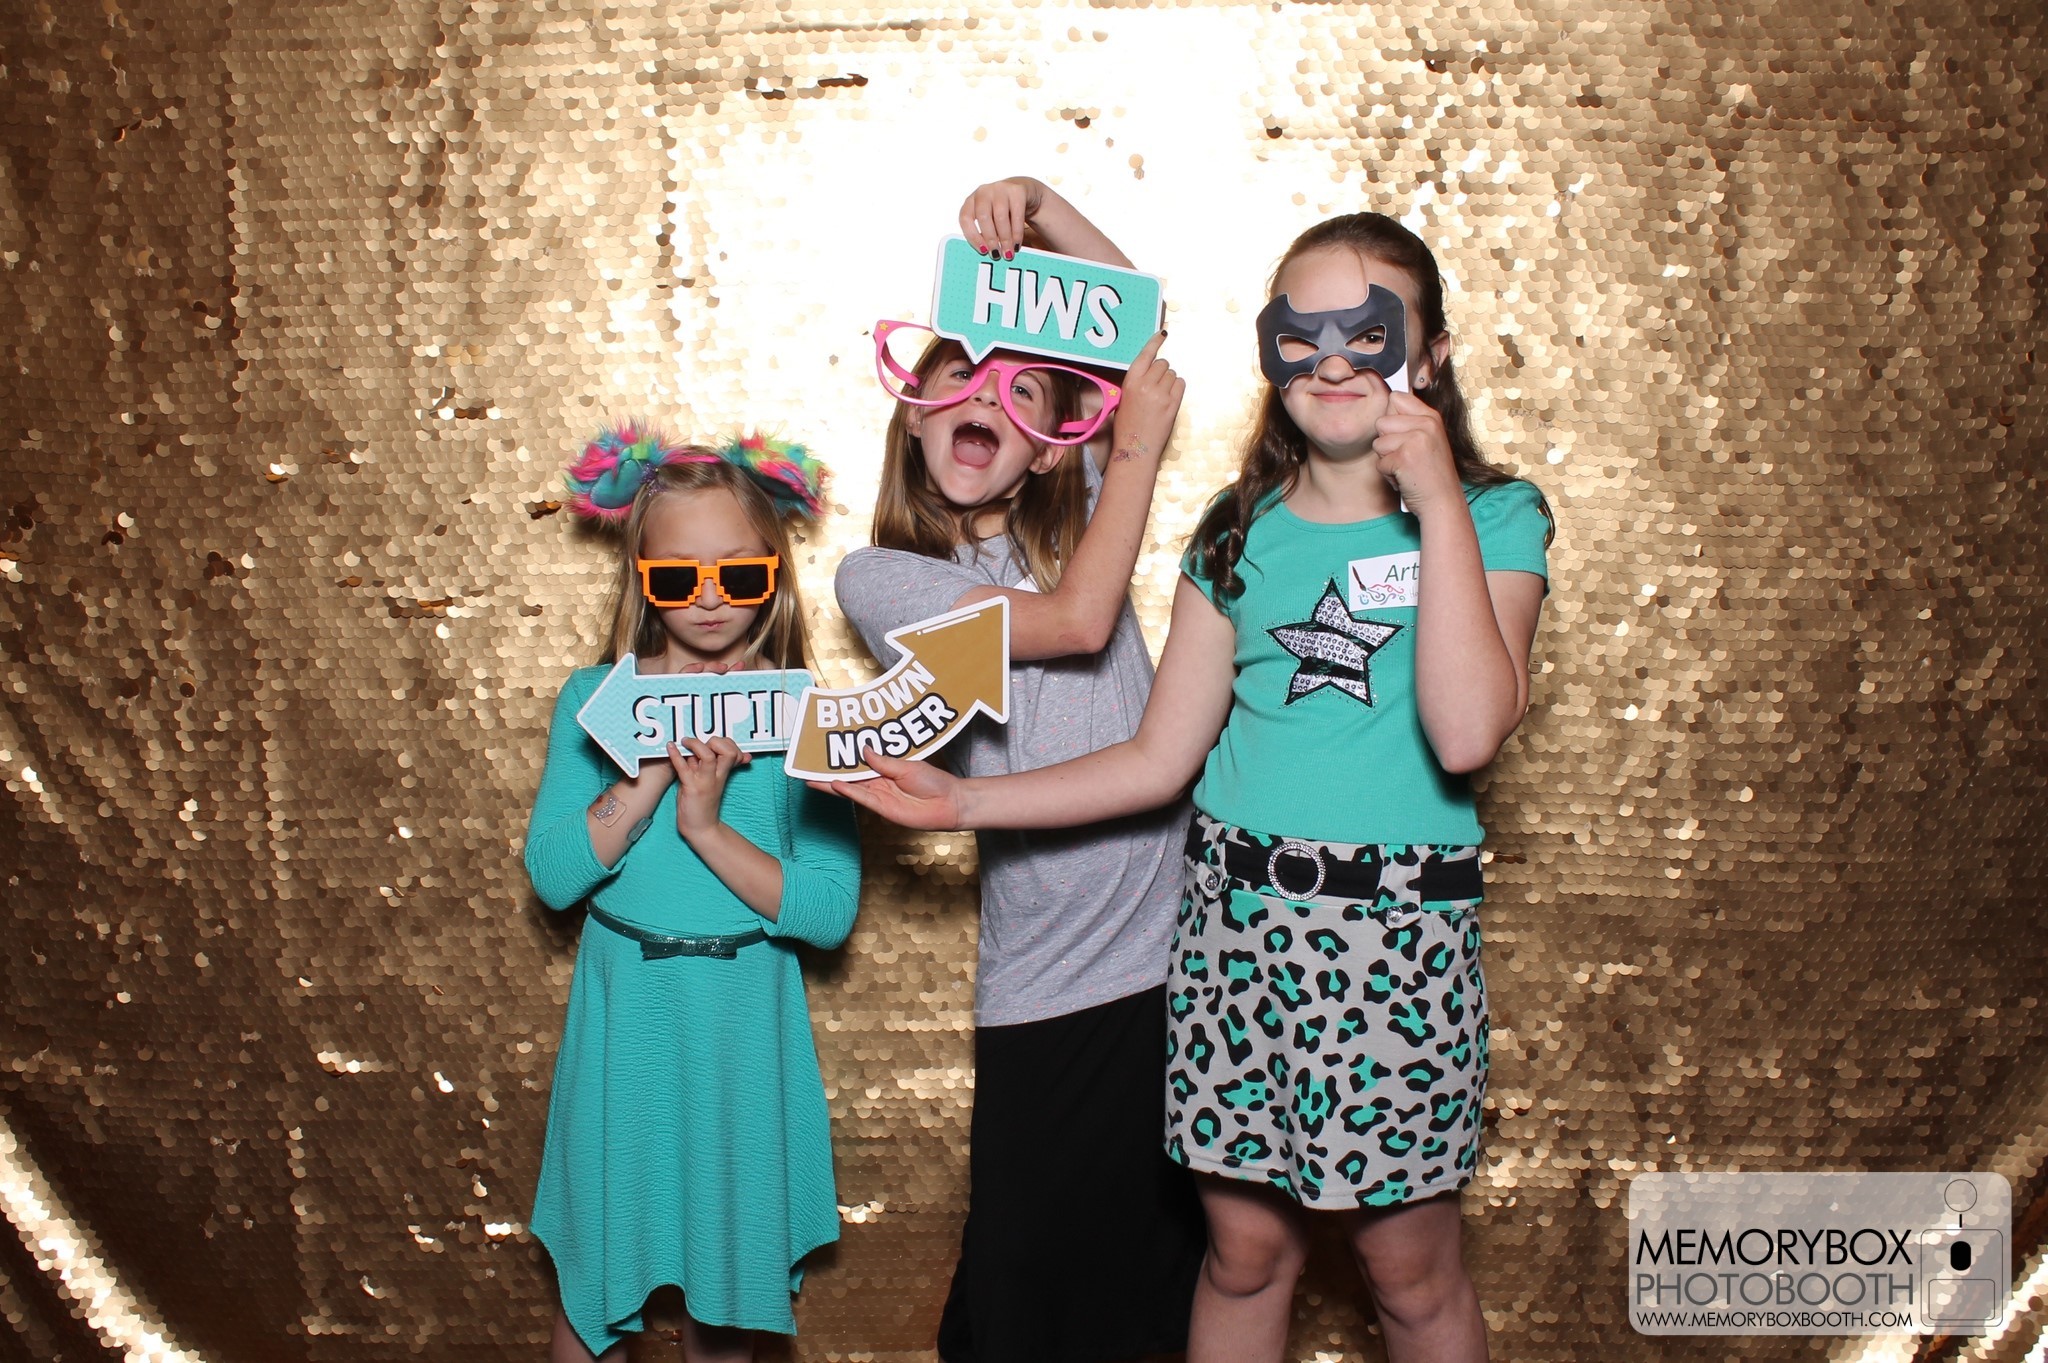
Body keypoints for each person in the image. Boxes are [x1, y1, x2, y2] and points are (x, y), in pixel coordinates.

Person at [826, 211, 1552, 1363]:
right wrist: (962, 804)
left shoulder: (1496, 516)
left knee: (1407, 1272)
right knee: (1240, 1256)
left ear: (1432, 354)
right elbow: (1158, 760)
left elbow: (1465, 734)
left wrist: (1435, 500)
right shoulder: (1230, 534)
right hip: (1231, 938)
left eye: (1366, 331)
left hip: (1397, 939)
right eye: (1299, 334)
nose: (1330, 360)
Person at [833, 177, 1207, 1363]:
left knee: (1155, 1296)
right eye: (957, 379)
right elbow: (1077, 621)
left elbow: (1133, 325)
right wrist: (1132, 449)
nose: (982, 396)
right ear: (913, 418)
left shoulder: (1088, 502)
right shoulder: (881, 578)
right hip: (1045, 985)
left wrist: (1037, 204)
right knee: (1018, 1298)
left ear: (1050, 449)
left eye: (1021, 389)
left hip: (1179, 963)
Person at [524, 427, 861, 1363]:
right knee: (594, 1290)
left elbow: (828, 912)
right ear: (643, 581)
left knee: (727, 1295)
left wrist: (707, 826)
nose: (709, 599)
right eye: (679, 578)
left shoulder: (807, 713)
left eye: (737, 574)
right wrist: (647, 774)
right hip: (625, 1015)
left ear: (772, 577)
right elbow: (555, 873)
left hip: (741, 1023)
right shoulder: (592, 700)